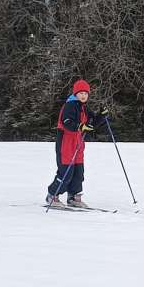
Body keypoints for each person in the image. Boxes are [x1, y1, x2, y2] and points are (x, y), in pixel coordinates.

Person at [45, 79, 109, 208]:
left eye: (86, 93)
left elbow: (92, 123)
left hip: (78, 143)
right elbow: (66, 122)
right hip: (66, 142)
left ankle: (74, 196)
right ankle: (52, 194)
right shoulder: (70, 105)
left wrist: (101, 116)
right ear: (75, 94)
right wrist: (81, 127)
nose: (84, 95)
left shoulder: (84, 107)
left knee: (78, 172)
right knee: (66, 172)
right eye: (81, 93)